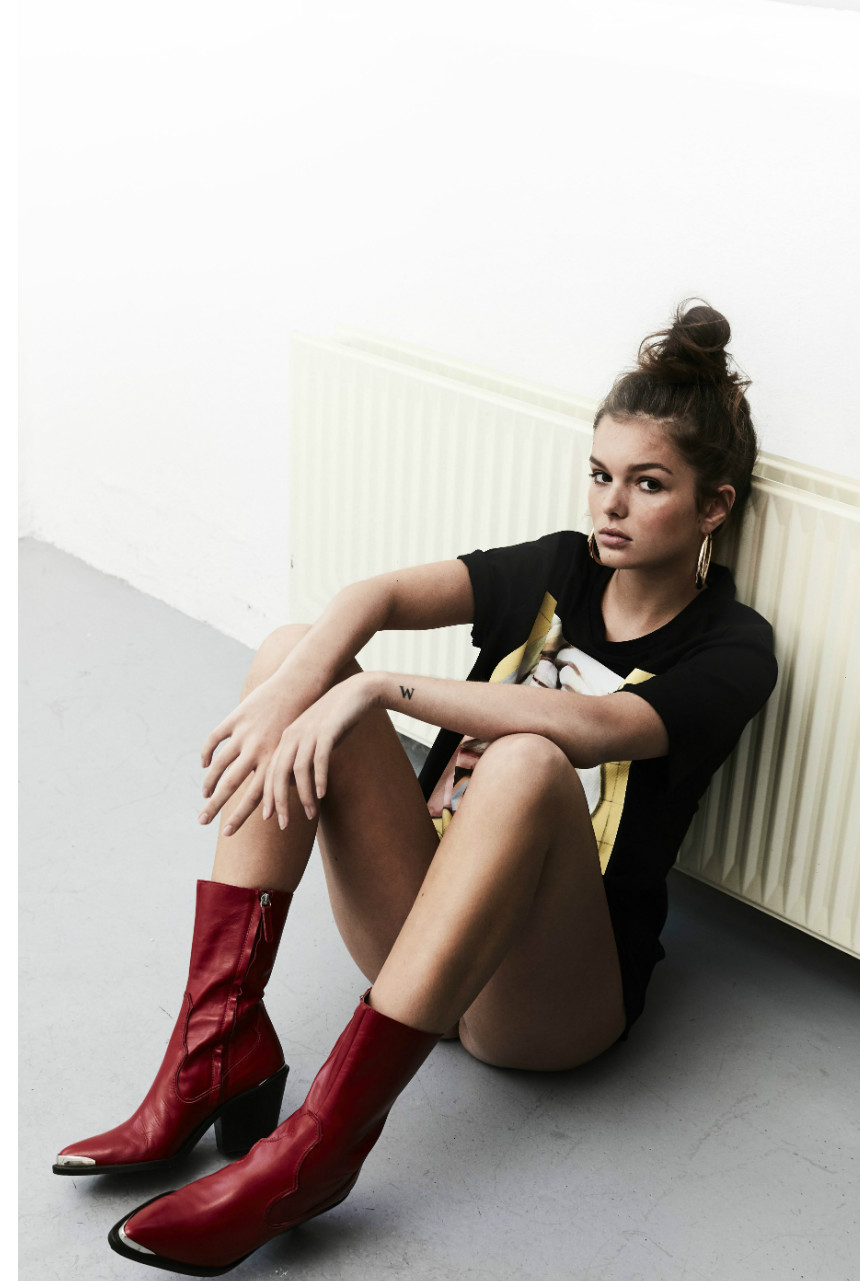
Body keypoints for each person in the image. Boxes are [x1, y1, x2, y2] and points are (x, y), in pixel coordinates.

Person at [54, 301, 778, 1275]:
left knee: (524, 758)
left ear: (713, 507)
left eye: (647, 485)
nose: (610, 505)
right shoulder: (560, 565)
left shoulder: (733, 649)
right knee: (292, 653)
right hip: (417, 930)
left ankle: (318, 1150)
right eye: (601, 474)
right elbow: (375, 597)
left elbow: (598, 727)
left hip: (548, 1001)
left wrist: (378, 689)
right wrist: (303, 686)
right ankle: (214, 1052)